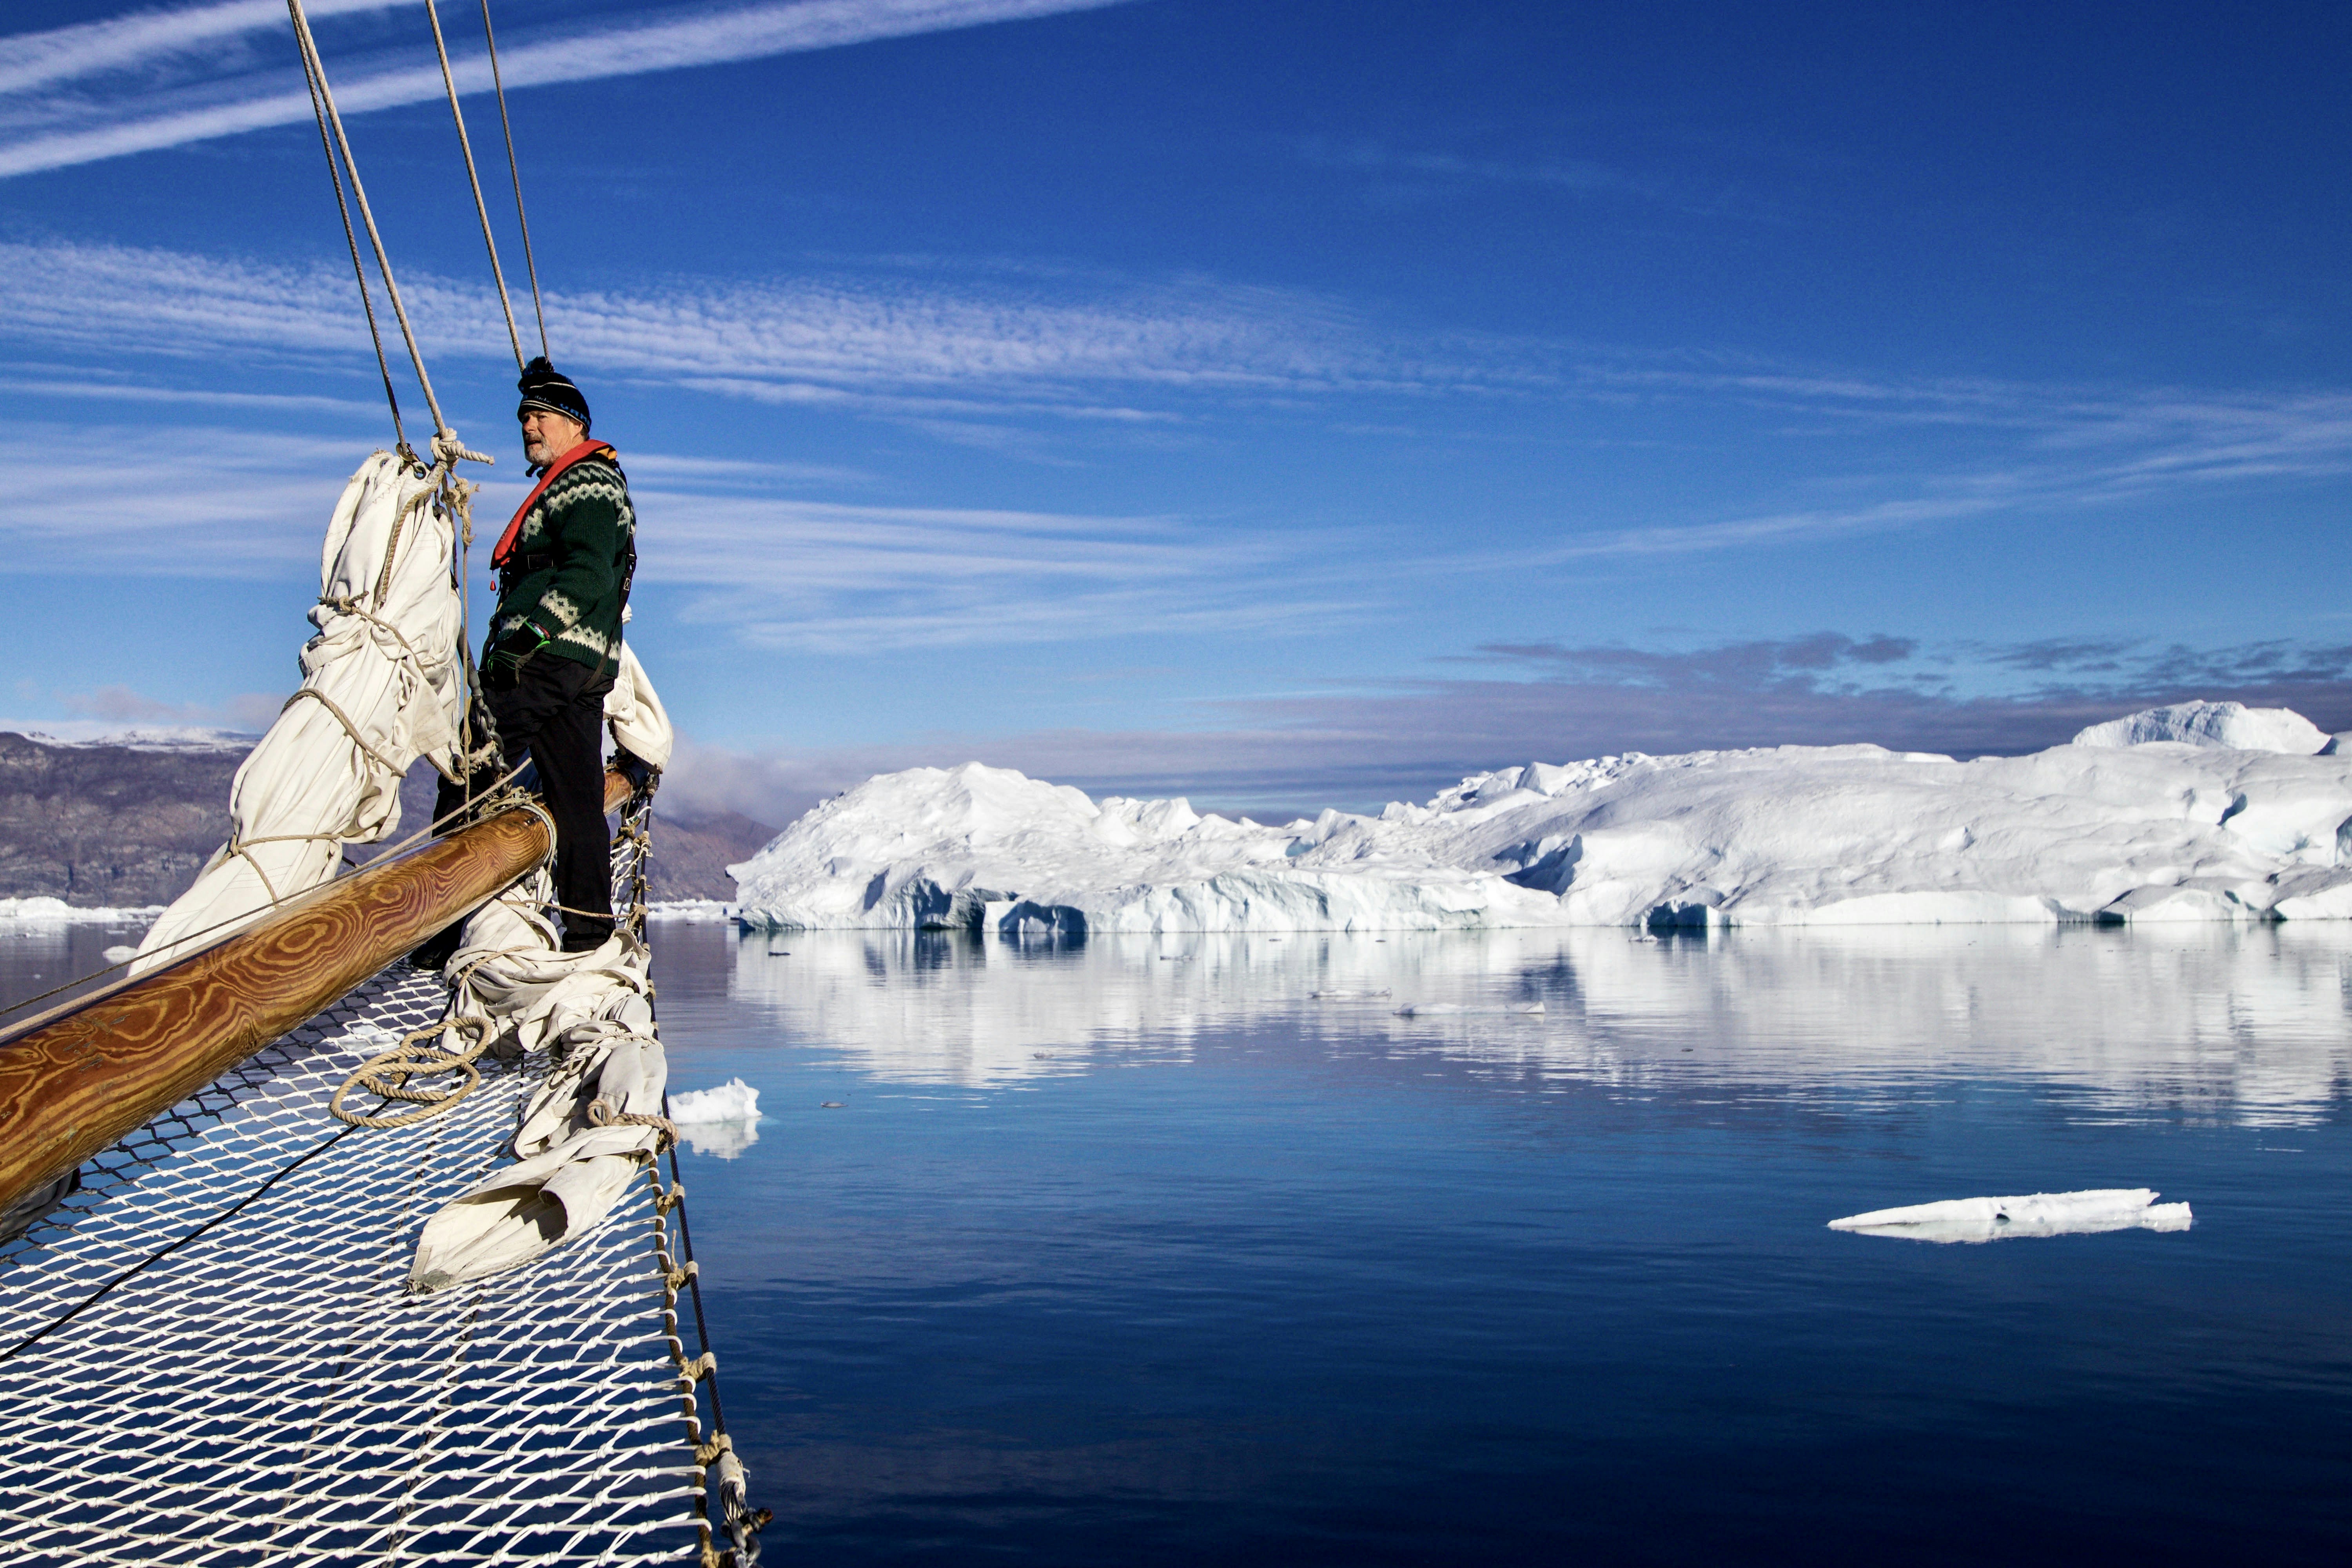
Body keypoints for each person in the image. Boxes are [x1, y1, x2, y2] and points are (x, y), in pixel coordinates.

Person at [417, 356, 637, 962]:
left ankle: (436, 935)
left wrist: (528, 635)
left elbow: (589, 570)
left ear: (573, 423)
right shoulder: (586, 480)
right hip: (579, 664)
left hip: (545, 660)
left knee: (467, 770)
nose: (529, 427)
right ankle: (590, 933)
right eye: (523, 418)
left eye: (539, 416)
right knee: (576, 793)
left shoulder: (587, 484)